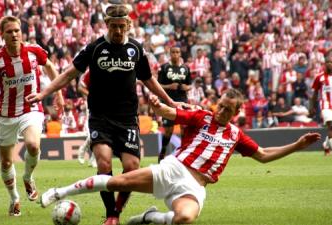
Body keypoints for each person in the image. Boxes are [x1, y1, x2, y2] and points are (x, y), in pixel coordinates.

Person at [37, 89, 320, 225]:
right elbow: (172, 114)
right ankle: (58, 192)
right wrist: (159, 107)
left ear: (235, 113)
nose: (220, 111)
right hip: (174, 169)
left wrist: (296, 145)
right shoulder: (201, 117)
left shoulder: (235, 134)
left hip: (195, 187)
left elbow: (263, 155)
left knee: (185, 219)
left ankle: (148, 218)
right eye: (219, 105)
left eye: (226, 109)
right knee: (116, 182)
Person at [25, 4, 179, 225]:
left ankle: (117, 209)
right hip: (101, 116)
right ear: (106, 24)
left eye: (122, 27)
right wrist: (44, 93)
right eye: (114, 26)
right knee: (104, 164)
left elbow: (148, 79)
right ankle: (111, 215)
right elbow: (70, 73)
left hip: (127, 118)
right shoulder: (95, 48)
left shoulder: (136, 49)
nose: (118, 31)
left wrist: (169, 100)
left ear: (128, 25)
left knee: (132, 167)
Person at [0, 16, 64, 216]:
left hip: (30, 108)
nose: (14, 34)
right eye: (10, 31)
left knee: (33, 145)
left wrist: (57, 92)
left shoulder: (34, 52)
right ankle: (14, 198)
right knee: (6, 162)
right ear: (2, 35)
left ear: (21, 32)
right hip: (6, 114)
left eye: (17, 30)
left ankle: (28, 177)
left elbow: (50, 67)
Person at [157, 46, 191, 162]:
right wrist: (169, 86)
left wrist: (185, 87)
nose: (175, 54)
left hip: (182, 101)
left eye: (177, 52)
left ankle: (183, 154)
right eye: (173, 52)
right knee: (168, 131)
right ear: (170, 53)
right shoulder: (164, 68)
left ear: (180, 53)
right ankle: (162, 152)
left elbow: (189, 85)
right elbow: (158, 85)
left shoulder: (186, 68)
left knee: (184, 128)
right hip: (168, 101)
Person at [310, 50, 332, 156]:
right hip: (325, 106)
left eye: (331, 63)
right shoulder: (320, 77)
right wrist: (312, 107)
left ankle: (326, 145)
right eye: (327, 63)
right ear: (324, 64)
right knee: (331, 126)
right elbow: (314, 94)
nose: (329, 65)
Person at [76, 70, 97, 168]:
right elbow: (80, 87)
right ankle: (82, 149)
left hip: (107, 106)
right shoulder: (91, 71)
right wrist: (92, 96)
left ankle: (93, 159)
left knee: (101, 134)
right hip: (93, 106)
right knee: (93, 134)